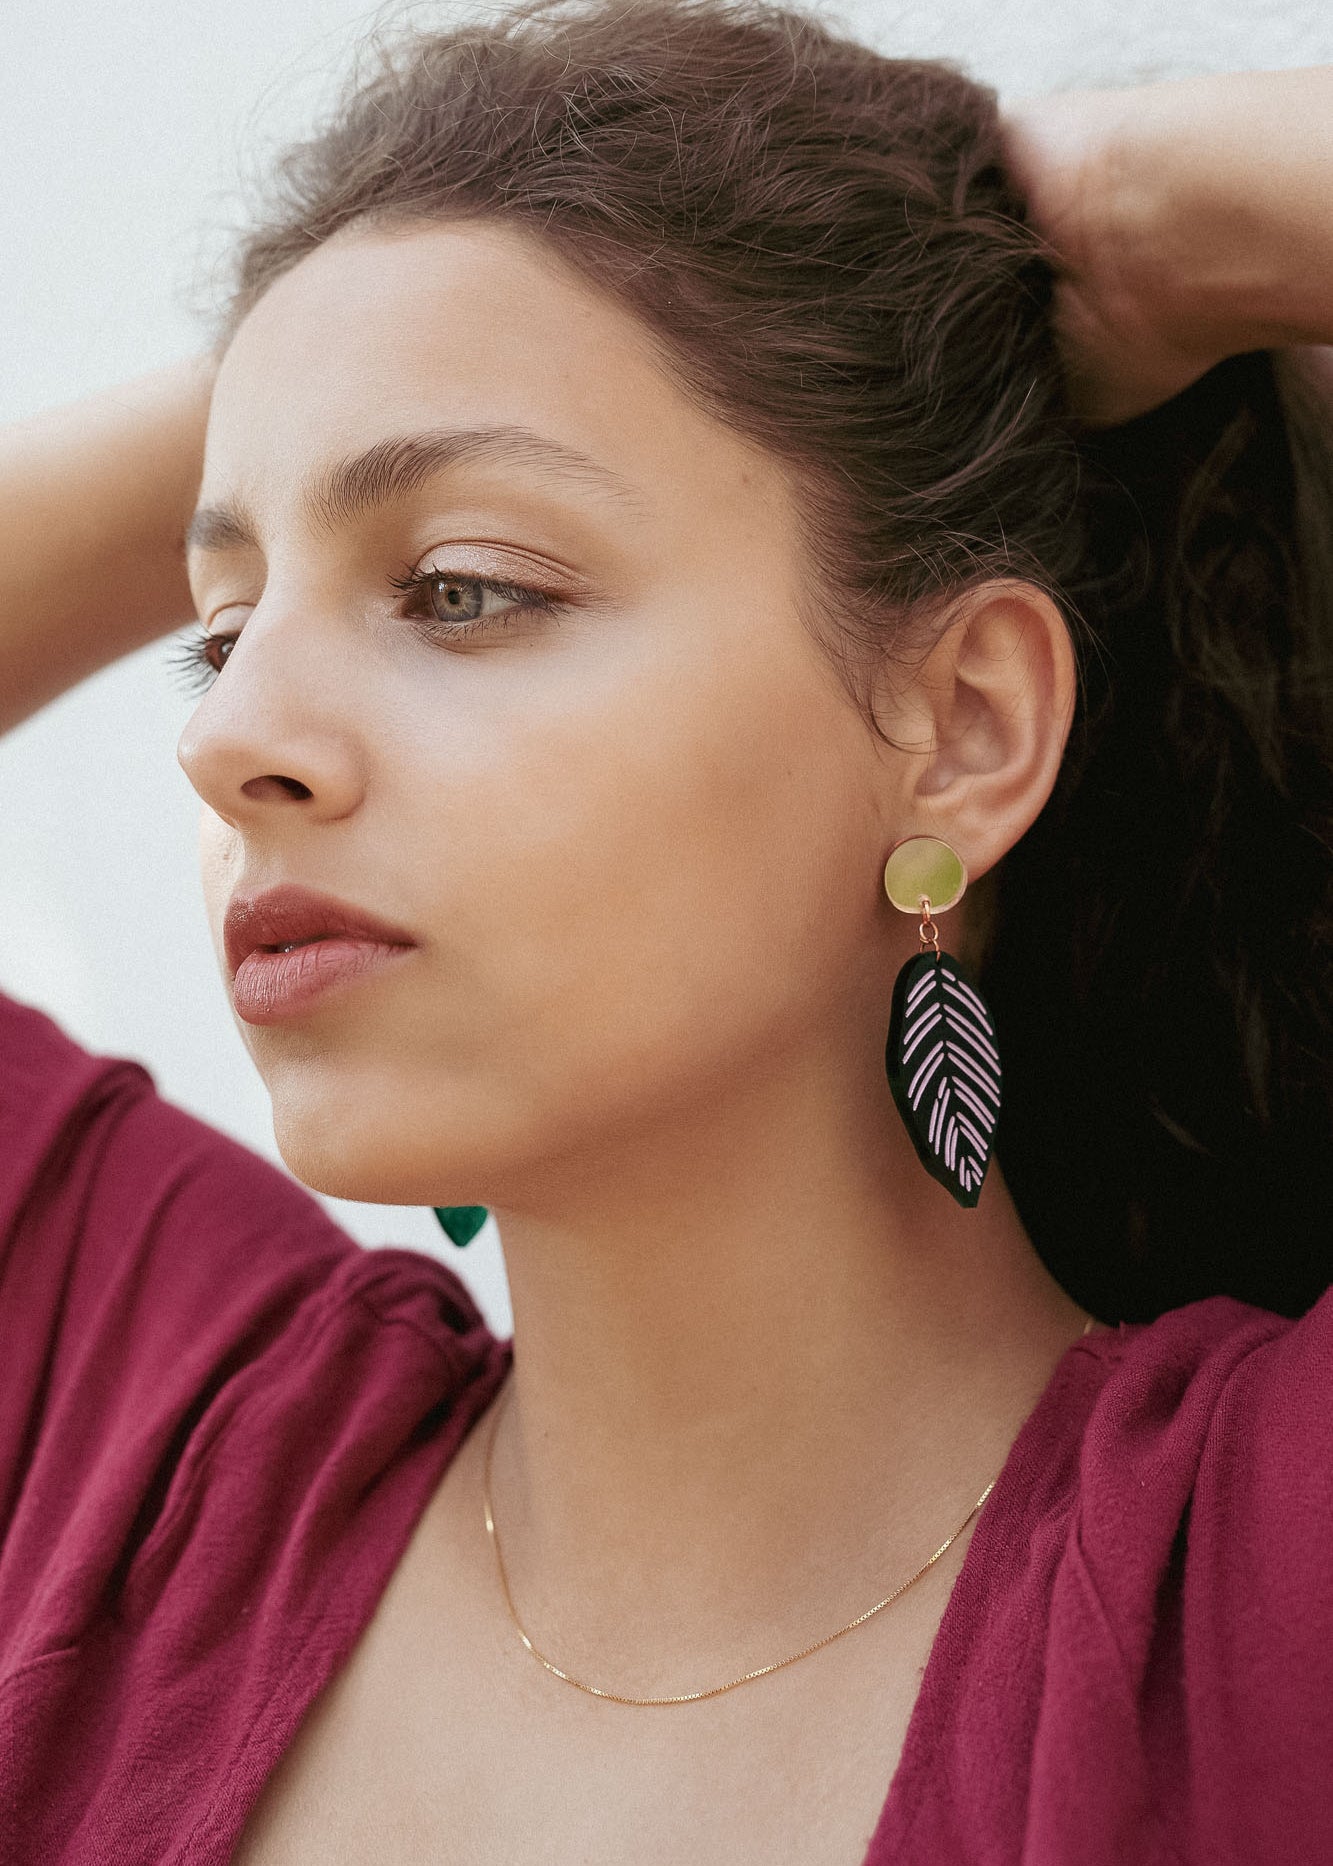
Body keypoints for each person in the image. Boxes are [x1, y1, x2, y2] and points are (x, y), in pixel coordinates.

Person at [1, 2, 1330, 1859]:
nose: (228, 744)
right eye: (218, 633)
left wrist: (1132, 219)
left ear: (960, 730)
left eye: (462, 587)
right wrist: (347, 340)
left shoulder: (1262, 1581)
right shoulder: (164, 1475)